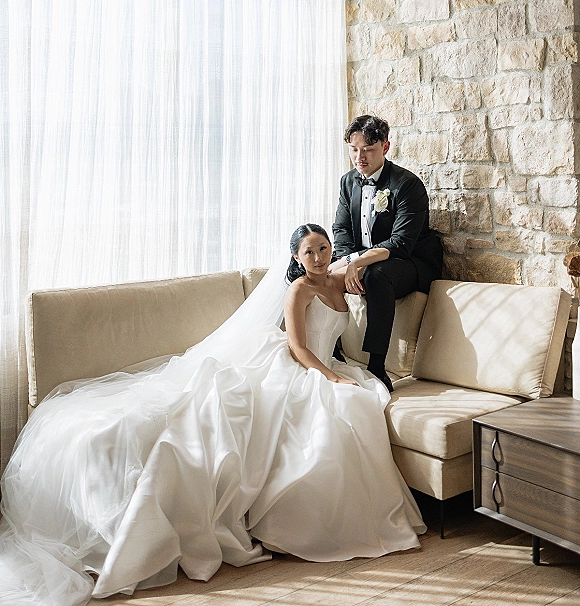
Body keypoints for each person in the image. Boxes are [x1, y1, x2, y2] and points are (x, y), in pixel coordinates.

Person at [0, 223, 425, 606]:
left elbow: (386, 251)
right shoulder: (298, 291)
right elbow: (298, 347)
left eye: (324, 249)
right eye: (309, 252)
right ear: (296, 258)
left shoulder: (337, 278)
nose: (318, 257)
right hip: (300, 363)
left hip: (327, 361)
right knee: (314, 411)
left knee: (359, 405)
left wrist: (360, 264)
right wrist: (330, 377)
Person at [329, 115, 443, 390]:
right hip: (365, 259)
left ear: (386, 147)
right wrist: (346, 260)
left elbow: (401, 243)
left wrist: (358, 262)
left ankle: (377, 367)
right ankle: (330, 352)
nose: (359, 157)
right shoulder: (348, 182)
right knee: (318, 268)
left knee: (376, 275)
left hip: (410, 261)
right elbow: (341, 229)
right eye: (354, 149)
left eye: (368, 149)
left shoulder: (407, 184)